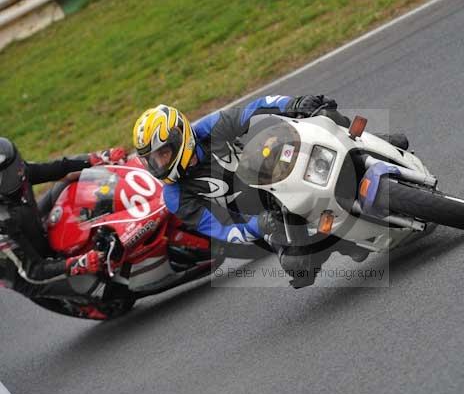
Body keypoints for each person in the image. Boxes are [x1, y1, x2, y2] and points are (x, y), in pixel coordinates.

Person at [132, 95, 406, 288]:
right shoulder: (174, 196)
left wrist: (294, 104)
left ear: (181, 137)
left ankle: (372, 143)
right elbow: (220, 230)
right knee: (300, 266)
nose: (159, 164)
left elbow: (258, 107)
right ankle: (346, 240)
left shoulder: (209, 128)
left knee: (322, 112)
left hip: (279, 164)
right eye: (152, 159)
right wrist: (257, 226)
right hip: (267, 214)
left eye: (163, 153)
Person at [0, 137, 125, 299]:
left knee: (66, 184)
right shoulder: (3, 221)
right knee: (100, 294)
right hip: (25, 272)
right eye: (6, 176)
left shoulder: (19, 172)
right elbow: (34, 271)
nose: (15, 176)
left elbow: (59, 167)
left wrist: (97, 157)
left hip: (33, 222)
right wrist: (77, 264)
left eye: (14, 167)